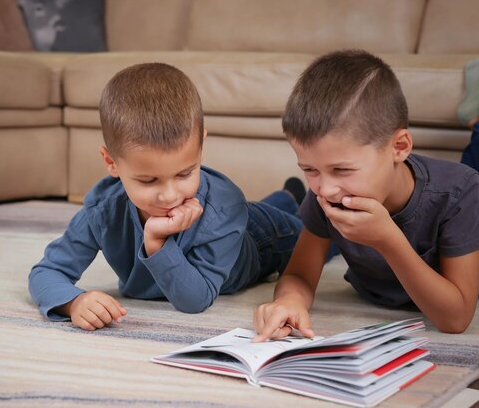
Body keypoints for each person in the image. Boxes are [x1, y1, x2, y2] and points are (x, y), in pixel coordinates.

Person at [253, 51, 479, 339]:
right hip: (452, 202)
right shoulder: (327, 193)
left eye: (342, 169)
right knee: (457, 186)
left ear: (399, 147)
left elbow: (456, 319)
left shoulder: (458, 192)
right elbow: (299, 274)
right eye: (309, 169)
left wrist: (388, 240)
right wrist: (289, 301)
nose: (324, 188)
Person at [29, 62, 316, 331]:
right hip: (238, 219)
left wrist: (157, 243)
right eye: (148, 180)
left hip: (260, 239)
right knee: (264, 209)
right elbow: (46, 272)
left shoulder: (226, 207)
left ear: (201, 147)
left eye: (184, 174)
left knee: (322, 232)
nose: (169, 196)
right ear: (111, 162)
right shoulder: (103, 210)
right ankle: (287, 195)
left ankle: (291, 199)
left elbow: (195, 299)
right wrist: (73, 301)